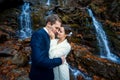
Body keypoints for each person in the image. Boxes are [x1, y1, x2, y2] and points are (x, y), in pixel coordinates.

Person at [29, 14, 65, 80]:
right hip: (40, 76)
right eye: (56, 28)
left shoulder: (51, 36)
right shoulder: (38, 35)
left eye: (58, 29)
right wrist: (59, 60)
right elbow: (38, 60)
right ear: (49, 24)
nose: (57, 31)